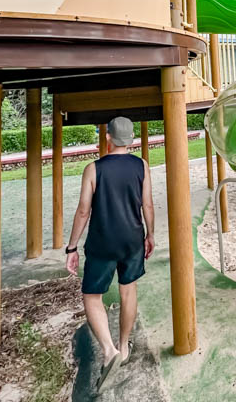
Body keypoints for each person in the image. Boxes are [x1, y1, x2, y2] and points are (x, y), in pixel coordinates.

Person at [65, 116, 154, 392]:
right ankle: (124, 346)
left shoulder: (93, 169)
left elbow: (83, 211)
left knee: (92, 295)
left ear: (108, 138)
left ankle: (108, 349)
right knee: (128, 291)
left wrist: (72, 246)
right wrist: (150, 234)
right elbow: (147, 204)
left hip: (102, 242)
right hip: (132, 239)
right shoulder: (142, 165)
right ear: (131, 140)